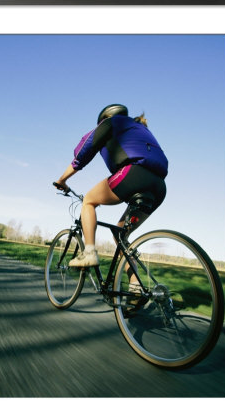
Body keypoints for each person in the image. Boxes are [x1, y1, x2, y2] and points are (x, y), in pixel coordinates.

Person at [54, 104, 168, 286]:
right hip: (159, 186)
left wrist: (62, 180)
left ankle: (89, 253)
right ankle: (136, 285)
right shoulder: (140, 128)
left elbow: (83, 152)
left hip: (133, 174)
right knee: (120, 235)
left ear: (104, 118)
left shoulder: (110, 123)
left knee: (89, 201)